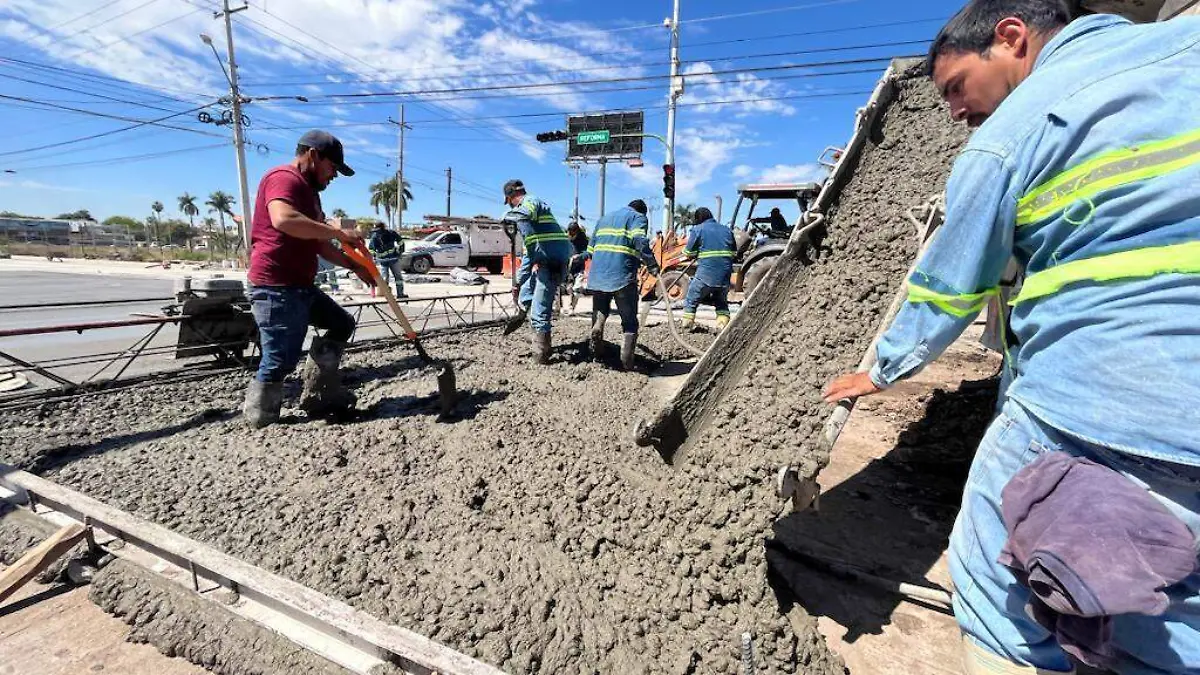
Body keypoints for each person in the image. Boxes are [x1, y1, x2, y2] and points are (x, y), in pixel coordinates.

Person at [823, 3, 1200, 673]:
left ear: (1012, 38)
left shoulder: (1014, 132)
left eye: (956, 88)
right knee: (1175, 623)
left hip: (1099, 415)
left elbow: (949, 285)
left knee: (1005, 595)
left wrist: (882, 368)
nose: (953, 113)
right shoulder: (1185, 45)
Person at [242, 130, 375, 429]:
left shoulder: (310, 193)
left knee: (341, 323)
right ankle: (260, 420)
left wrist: (353, 266)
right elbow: (283, 219)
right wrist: (340, 232)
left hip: (300, 286)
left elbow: (318, 242)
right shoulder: (284, 178)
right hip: (275, 286)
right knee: (279, 359)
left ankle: (319, 391)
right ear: (314, 156)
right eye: (333, 168)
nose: (334, 176)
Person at [578, 199, 659, 369]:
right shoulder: (638, 218)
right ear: (642, 212)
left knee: (599, 311)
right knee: (629, 321)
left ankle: (597, 338)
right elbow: (640, 240)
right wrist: (651, 264)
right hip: (622, 276)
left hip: (598, 275)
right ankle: (627, 362)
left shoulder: (604, 219)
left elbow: (590, 250)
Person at [500, 179, 571, 364]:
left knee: (539, 310)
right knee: (527, 295)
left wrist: (509, 215)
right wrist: (518, 283)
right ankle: (526, 310)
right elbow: (530, 253)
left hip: (552, 262)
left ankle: (541, 354)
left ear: (509, 198)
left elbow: (527, 211)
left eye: (509, 202)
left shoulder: (530, 202)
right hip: (544, 258)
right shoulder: (528, 224)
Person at [680, 207, 736, 331]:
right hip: (724, 275)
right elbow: (733, 253)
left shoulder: (698, 229)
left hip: (706, 274)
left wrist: (694, 252)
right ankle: (722, 326)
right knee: (721, 301)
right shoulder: (727, 230)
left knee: (692, 297)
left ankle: (687, 325)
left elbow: (688, 252)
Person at [367, 221, 407, 299]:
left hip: (394, 260)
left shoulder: (391, 233)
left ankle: (400, 294)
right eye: (376, 231)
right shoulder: (374, 237)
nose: (377, 233)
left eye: (378, 231)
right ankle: (387, 296)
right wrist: (373, 257)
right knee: (385, 278)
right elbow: (371, 249)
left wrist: (400, 252)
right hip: (383, 261)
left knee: (398, 277)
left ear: (383, 229)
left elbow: (401, 242)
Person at [565, 221, 590, 314]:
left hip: (579, 268)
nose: (570, 234)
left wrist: (580, 256)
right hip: (567, 268)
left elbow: (588, 253)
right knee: (568, 288)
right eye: (569, 232)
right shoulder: (566, 239)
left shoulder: (583, 240)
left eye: (572, 232)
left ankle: (572, 307)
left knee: (576, 288)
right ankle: (559, 307)